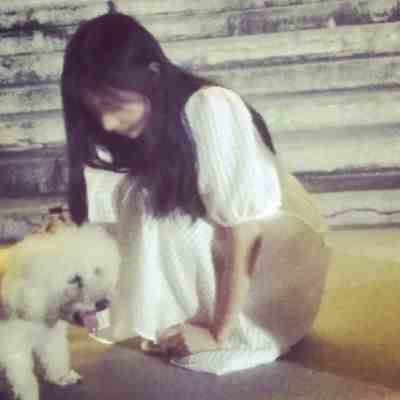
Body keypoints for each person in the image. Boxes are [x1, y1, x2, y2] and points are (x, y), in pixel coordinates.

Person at [61, 12, 330, 374]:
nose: (106, 123)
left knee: (169, 220)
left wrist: (219, 334)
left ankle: (220, 322)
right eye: (96, 111)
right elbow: (110, 221)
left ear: (153, 74)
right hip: (223, 257)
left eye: (114, 105)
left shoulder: (209, 107)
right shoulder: (134, 130)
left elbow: (245, 232)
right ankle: (182, 318)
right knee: (139, 201)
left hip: (265, 267)